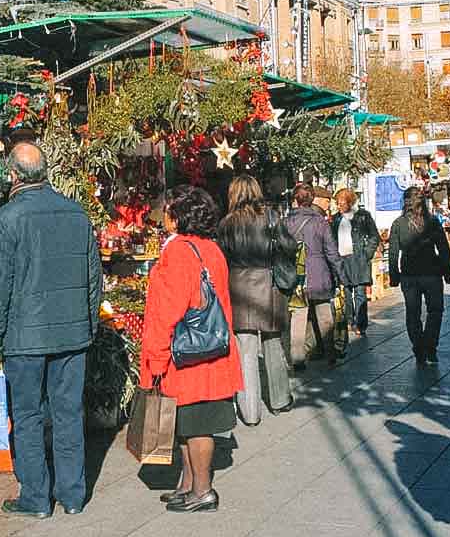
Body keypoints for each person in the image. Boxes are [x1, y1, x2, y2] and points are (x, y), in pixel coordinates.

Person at [0, 141, 101, 518]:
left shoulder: (7, 218)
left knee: (28, 415)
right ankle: (73, 495)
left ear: (13, 174)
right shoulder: (76, 214)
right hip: (71, 334)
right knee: (68, 413)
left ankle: (35, 496)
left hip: (24, 336)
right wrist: (89, 325)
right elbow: (93, 279)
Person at [141, 186, 242, 513]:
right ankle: (187, 484)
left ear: (177, 216)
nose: (164, 216)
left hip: (189, 355)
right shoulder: (211, 249)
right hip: (212, 350)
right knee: (188, 421)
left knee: (196, 423)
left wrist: (155, 358)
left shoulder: (178, 252)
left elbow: (167, 310)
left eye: (168, 210)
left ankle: (202, 490)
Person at [217, 174, 296, 425]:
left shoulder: (226, 224)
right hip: (269, 285)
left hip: (238, 286)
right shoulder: (271, 218)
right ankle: (280, 400)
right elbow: (289, 246)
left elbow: (222, 259)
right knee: (273, 345)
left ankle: (250, 412)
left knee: (245, 351)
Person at [389, 186, 450, 364]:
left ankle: (419, 347)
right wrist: (448, 272)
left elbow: (393, 252)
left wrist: (394, 276)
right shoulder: (432, 222)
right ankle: (430, 346)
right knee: (436, 310)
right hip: (431, 274)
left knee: (412, 313)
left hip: (409, 275)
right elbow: (443, 249)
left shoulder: (398, 223)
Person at [286, 183, 342, 368]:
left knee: (298, 317)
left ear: (295, 200)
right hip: (319, 274)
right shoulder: (320, 222)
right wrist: (340, 274)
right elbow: (331, 252)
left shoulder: (286, 222)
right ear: (311, 200)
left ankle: (297, 357)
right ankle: (330, 352)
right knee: (325, 315)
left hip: (297, 276)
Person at [330, 189, 379, 336]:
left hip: (359, 259)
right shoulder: (335, 219)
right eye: (337, 203)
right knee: (346, 292)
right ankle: (349, 320)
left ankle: (361, 323)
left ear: (350, 202)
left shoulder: (363, 216)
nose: (338, 206)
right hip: (342, 260)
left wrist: (367, 253)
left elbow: (373, 236)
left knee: (359, 293)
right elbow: (332, 240)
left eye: (341, 202)